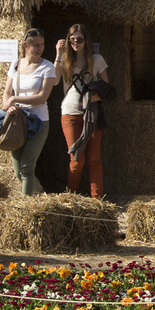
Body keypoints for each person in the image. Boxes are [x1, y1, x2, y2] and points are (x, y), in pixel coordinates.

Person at [2, 29, 58, 195]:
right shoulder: (16, 64)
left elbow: (41, 97)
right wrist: (8, 104)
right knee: (18, 171)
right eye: (35, 45)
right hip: (18, 121)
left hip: (39, 121)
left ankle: (26, 209)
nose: (39, 48)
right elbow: (7, 92)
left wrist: (15, 99)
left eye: (41, 44)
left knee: (27, 169)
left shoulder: (47, 67)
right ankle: (40, 192)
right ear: (26, 45)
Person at [57, 23, 109, 199]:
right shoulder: (65, 60)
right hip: (70, 112)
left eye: (79, 39)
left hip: (91, 113)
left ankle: (97, 199)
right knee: (76, 160)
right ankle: (70, 197)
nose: (75, 43)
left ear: (86, 41)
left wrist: (98, 98)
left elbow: (107, 87)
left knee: (94, 159)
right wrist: (58, 54)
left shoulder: (97, 59)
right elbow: (55, 80)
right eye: (71, 40)